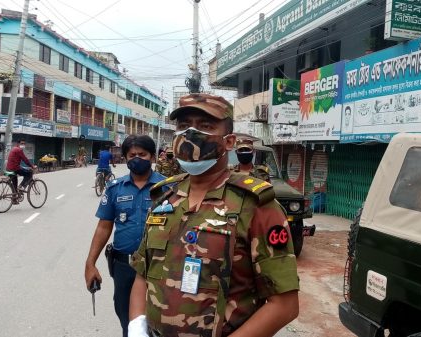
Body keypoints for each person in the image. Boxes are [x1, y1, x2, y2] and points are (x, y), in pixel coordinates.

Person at [128, 93, 299, 337]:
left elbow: (284, 305)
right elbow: (142, 276)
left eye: (206, 126)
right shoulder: (165, 200)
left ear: (229, 141)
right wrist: (136, 326)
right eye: (183, 126)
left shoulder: (257, 206)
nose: (190, 134)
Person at [84, 135, 167, 337]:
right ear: (125, 158)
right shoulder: (115, 188)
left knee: (163, 323)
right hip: (124, 267)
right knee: (129, 324)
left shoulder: (170, 187)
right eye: (132, 155)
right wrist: (90, 263)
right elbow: (104, 227)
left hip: (161, 267)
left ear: (152, 156)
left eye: (142, 154)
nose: (137, 158)